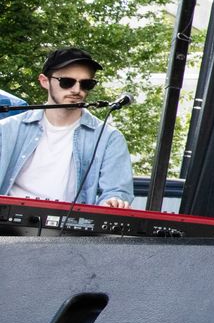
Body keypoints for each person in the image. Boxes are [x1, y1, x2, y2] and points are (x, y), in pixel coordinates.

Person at [0, 48, 133, 208]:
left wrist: (113, 201)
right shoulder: (7, 129)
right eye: (67, 82)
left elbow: (117, 192)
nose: (76, 90)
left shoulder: (110, 138)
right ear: (44, 81)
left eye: (86, 84)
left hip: (70, 223)